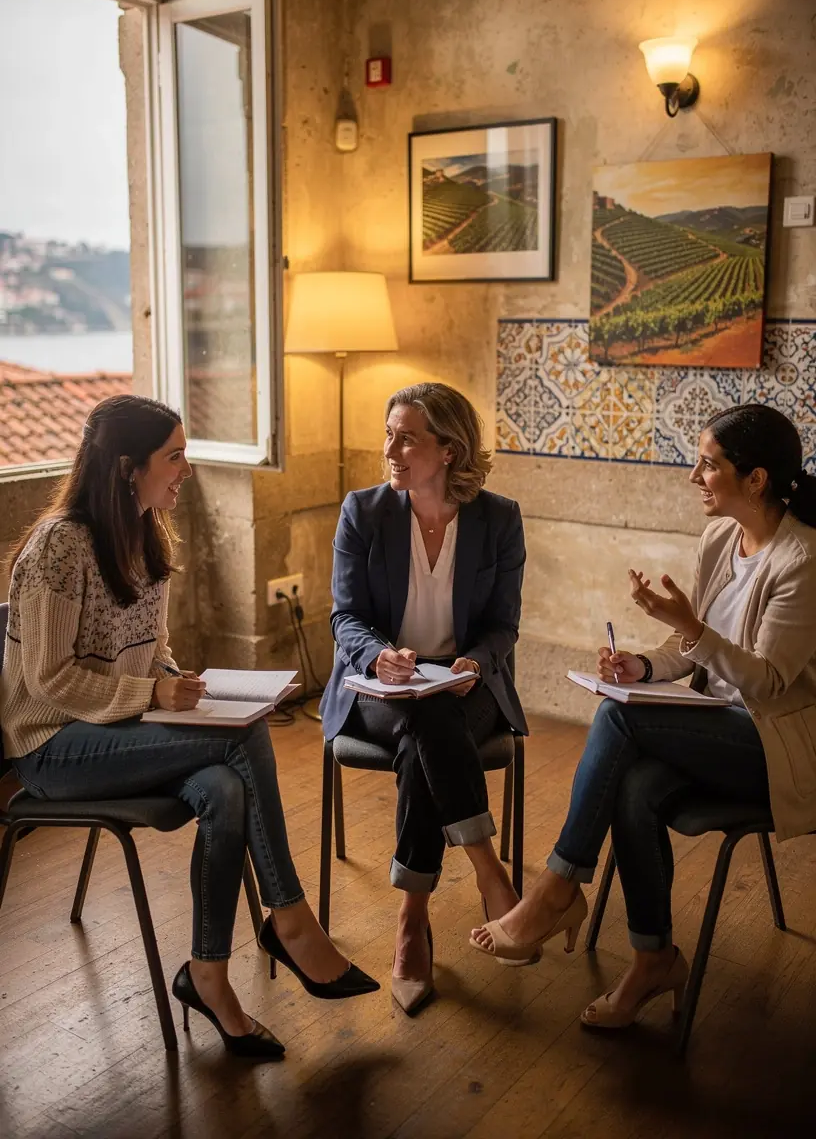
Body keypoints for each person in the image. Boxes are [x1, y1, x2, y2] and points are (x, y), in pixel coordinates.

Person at [1, 395, 378, 1062]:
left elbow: (152, 646)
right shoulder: (60, 546)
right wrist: (154, 692)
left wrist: (181, 684)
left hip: (119, 729)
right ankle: (290, 919)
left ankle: (207, 976)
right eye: (174, 455)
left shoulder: (147, 533)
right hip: (52, 748)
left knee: (225, 790)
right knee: (243, 734)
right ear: (126, 468)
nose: (188, 470)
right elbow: (50, 681)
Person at [470, 403, 816, 1030]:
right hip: (715, 728)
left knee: (618, 723)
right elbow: (695, 652)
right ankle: (654, 958)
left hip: (775, 745)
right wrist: (641, 665)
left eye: (708, 465)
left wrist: (687, 625)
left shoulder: (803, 561)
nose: (694, 476)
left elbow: (764, 682)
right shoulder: (720, 540)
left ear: (756, 479)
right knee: (636, 785)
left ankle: (555, 889)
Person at [320, 382, 528, 1014]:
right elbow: (345, 616)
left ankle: (412, 922)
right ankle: (490, 872)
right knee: (423, 714)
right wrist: (380, 655)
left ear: (449, 449)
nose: (391, 448)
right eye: (388, 433)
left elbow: (503, 625)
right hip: (379, 686)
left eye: (406, 436)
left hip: (466, 686)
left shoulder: (499, 518)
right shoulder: (363, 512)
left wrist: (476, 661)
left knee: (427, 727)